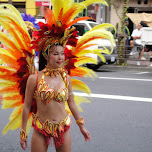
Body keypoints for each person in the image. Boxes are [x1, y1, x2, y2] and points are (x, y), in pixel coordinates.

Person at [0, 1, 114, 152]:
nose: (60, 58)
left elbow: (71, 103)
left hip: (63, 128)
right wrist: (23, 132)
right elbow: (27, 106)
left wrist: (81, 126)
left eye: (62, 54)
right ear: (47, 56)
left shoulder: (65, 77)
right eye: (55, 54)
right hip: (40, 129)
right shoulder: (34, 78)